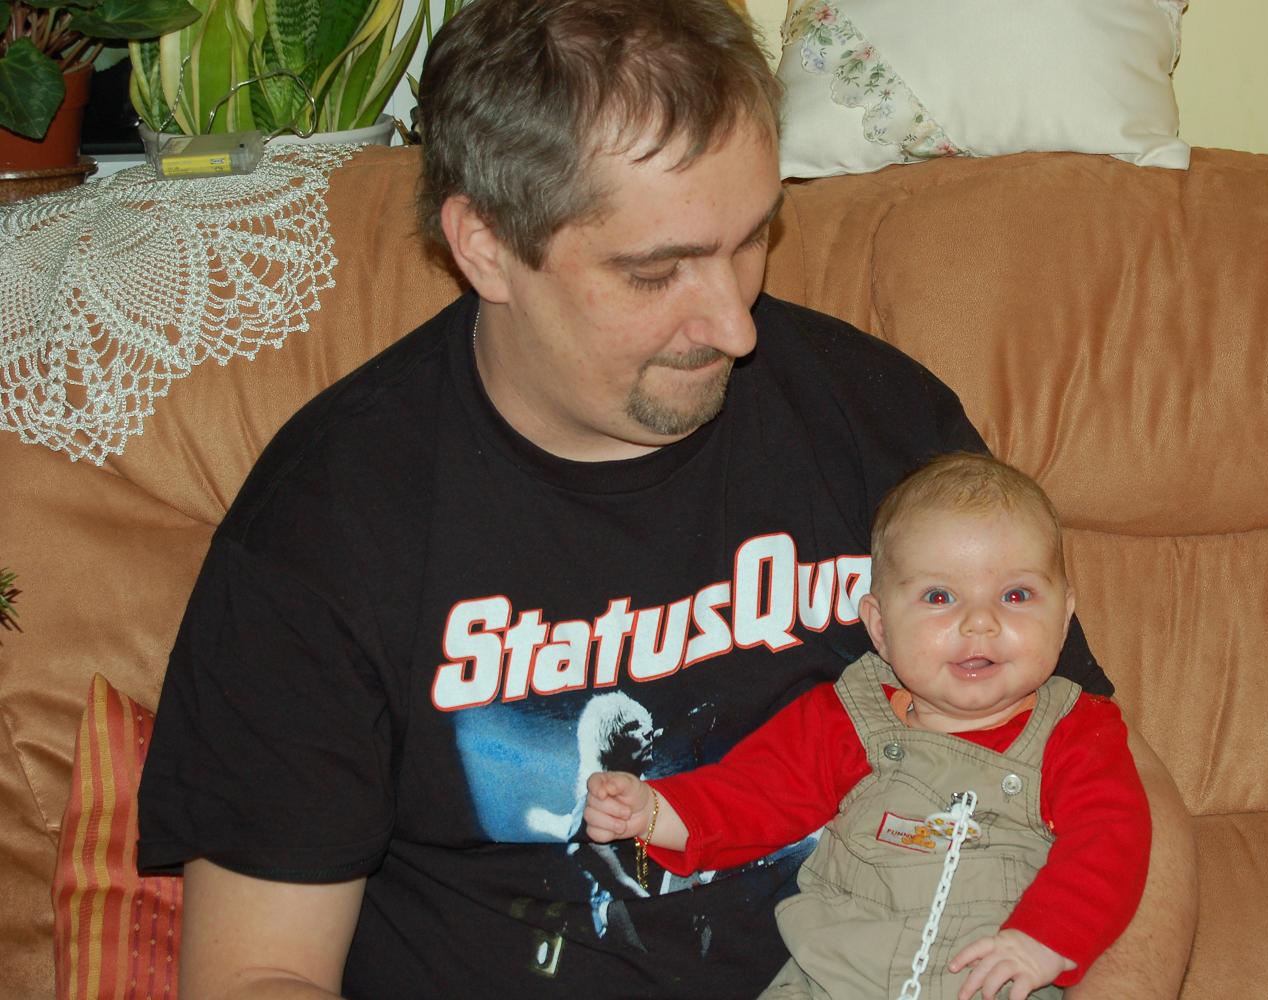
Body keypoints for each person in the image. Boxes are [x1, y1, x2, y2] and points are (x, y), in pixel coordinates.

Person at [136, 1, 1196, 998]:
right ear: (486, 246)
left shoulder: (873, 418)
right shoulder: (328, 522)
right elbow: (257, 972)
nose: (735, 324)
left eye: (751, 239)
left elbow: (1105, 769)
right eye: (656, 273)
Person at [585, 453, 1150, 1000]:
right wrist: (653, 812)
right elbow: (754, 795)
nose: (980, 622)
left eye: (1015, 595)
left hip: (984, 977)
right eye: (939, 596)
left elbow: (1111, 838)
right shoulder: (846, 719)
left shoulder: (1076, 732)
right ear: (879, 626)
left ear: (1064, 617)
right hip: (830, 980)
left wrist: (1046, 938)